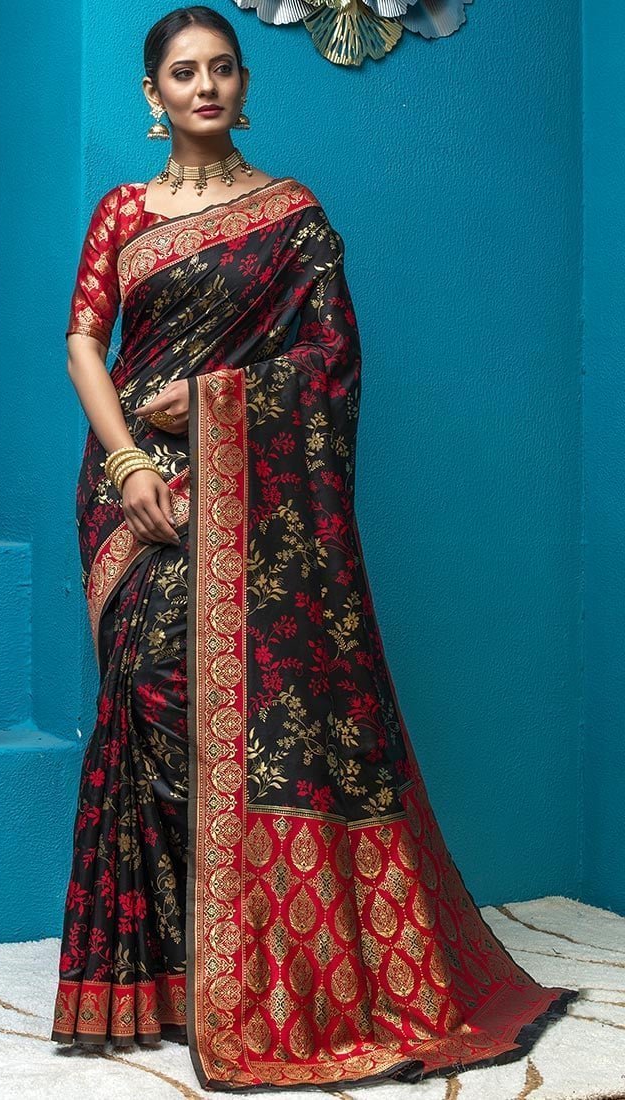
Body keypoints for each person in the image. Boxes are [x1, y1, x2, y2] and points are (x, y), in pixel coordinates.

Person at [50, 6, 578, 1091]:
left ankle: (249, 966)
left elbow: (330, 363)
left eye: (222, 68)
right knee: (148, 695)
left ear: (245, 85)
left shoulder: (291, 217)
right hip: (128, 487)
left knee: (236, 710)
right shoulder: (122, 212)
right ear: (152, 96)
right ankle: (171, 969)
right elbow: (83, 340)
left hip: (245, 493)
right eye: (183, 73)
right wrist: (130, 463)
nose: (205, 86)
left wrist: (208, 401)